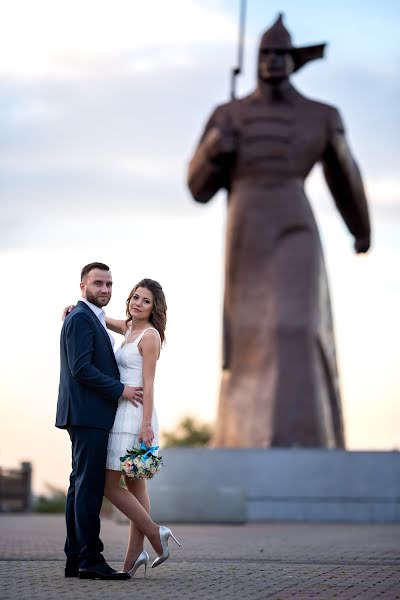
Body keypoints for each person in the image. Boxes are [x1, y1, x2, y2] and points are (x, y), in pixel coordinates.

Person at [187, 14, 370, 448]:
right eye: (265, 54)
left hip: (293, 223)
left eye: (280, 54)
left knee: (296, 324)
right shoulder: (227, 115)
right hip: (246, 230)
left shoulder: (321, 115)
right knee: (250, 336)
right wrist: (215, 150)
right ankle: (242, 435)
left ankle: (305, 437)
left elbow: (347, 175)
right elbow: (197, 188)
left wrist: (360, 228)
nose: (272, 61)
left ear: (294, 60)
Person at [59, 269, 180, 579]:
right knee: (136, 484)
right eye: (135, 297)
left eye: (146, 301)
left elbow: (149, 384)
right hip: (121, 411)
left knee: (111, 485)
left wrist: (145, 425)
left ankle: (155, 533)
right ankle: (133, 554)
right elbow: (101, 320)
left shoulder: (150, 335)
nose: (138, 304)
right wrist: (76, 308)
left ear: (155, 308)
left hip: (135, 415)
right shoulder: (128, 329)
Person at [56, 262, 142, 580]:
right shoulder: (81, 318)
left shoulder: (87, 317)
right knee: (88, 489)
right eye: (98, 283)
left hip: (84, 414)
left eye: (108, 284)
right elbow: (81, 369)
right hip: (88, 415)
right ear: (83, 286)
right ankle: (91, 559)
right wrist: (122, 389)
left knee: (79, 489)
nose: (104, 289)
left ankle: (75, 559)